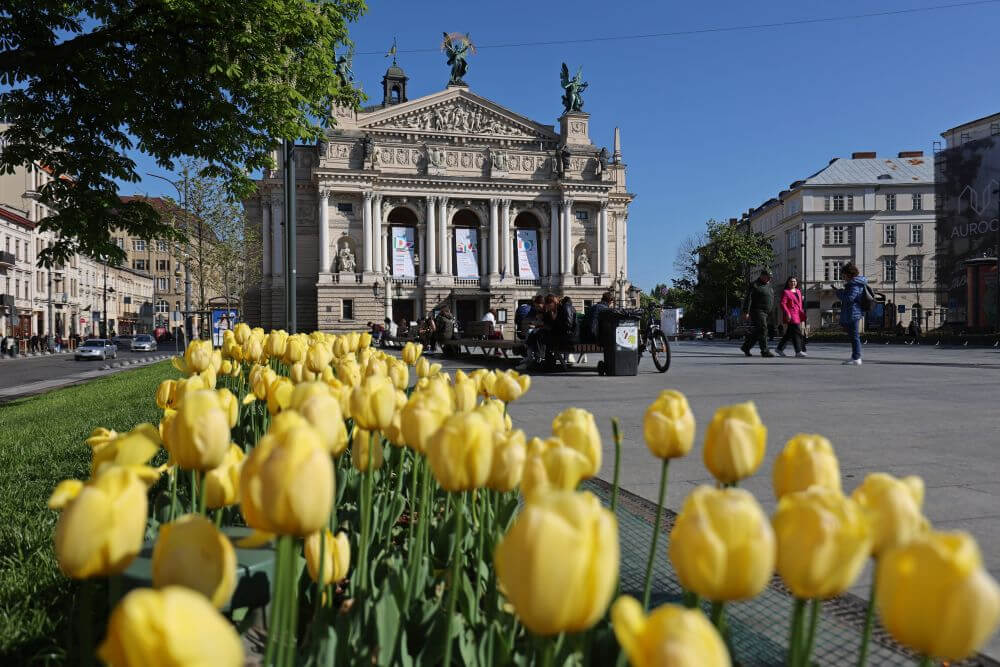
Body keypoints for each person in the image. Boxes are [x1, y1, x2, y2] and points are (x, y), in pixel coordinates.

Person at [836, 262, 867, 365]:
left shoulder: (854, 284)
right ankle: (855, 356)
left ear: (849, 274)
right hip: (852, 311)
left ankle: (857, 358)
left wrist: (839, 293)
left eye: (844, 274)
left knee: (854, 336)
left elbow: (850, 298)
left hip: (853, 312)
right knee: (853, 336)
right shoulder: (854, 283)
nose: (843, 277)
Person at [740, 269, 775, 358]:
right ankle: (765, 351)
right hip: (757, 310)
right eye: (768, 277)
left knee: (758, 331)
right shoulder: (754, 285)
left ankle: (746, 347)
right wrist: (746, 311)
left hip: (767, 312)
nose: (769, 279)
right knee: (763, 329)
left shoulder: (769, 285)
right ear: (762, 276)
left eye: (770, 277)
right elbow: (749, 298)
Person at [776, 277, 807, 357]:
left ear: (796, 282)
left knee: (789, 334)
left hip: (798, 314)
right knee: (797, 331)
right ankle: (798, 351)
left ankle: (779, 348)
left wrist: (802, 313)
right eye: (791, 281)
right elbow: (783, 303)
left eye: (794, 281)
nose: (793, 283)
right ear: (788, 283)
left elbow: (800, 304)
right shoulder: (786, 292)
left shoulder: (798, 291)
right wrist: (787, 313)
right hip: (791, 314)